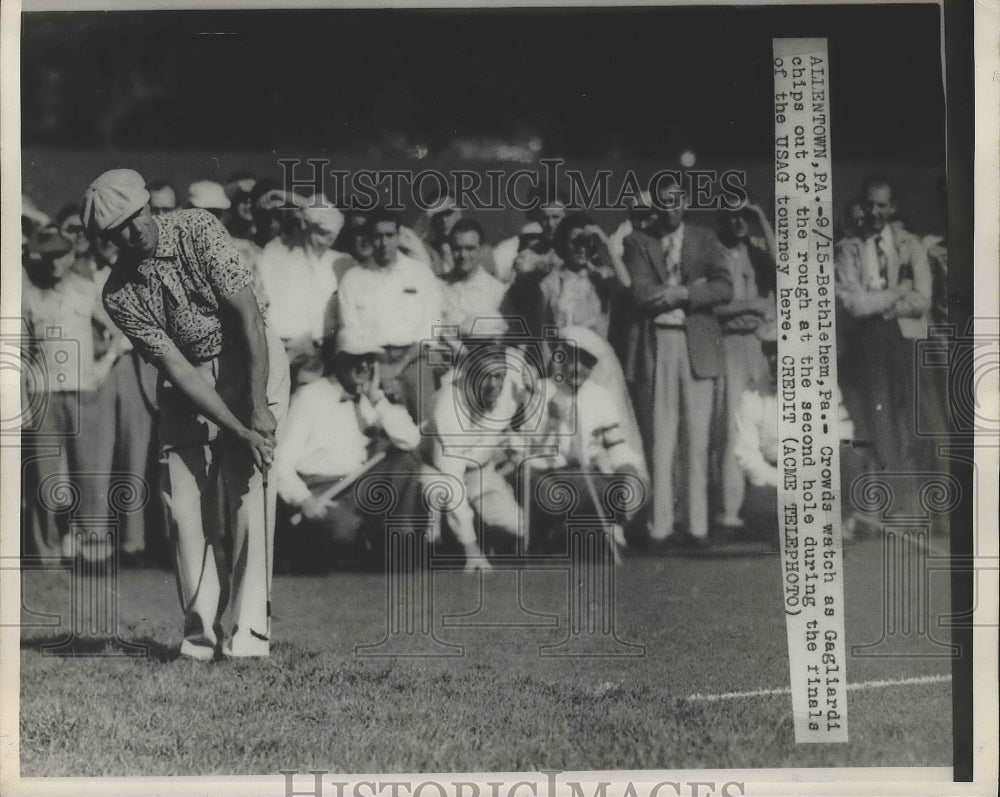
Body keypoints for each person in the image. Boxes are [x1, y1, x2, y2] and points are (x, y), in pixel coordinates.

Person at [85, 168, 290, 661]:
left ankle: (250, 636)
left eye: (134, 220)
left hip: (252, 357)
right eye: (115, 233)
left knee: (249, 489)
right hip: (187, 383)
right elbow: (178, 368)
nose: (130, 235)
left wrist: (256, 407)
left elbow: (248, 319)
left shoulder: (198, 228)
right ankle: (199, 637)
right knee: (182, 503)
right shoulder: (118, 293)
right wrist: (235, 426)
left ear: (148, 206)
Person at [623, 174, 733, 551]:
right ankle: (660, 527)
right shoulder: (637, 241)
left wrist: (682, 292)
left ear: (686, 202)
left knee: (697, 440)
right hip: (658, 346)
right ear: (655, 205)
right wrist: (683, 293)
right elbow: (640, 294)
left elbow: (724, 288)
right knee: (661, 437)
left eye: (677, 200)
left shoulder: (705, 238)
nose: (671, 208)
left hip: (698, 345)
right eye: (664, 202)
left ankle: (697, 526)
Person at [273, 328, 429, 571]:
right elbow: (280, 462)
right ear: (338, 360)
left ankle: (397, 543)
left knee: (406, 460)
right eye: (356, 359)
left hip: (360, 487)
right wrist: (304, 500)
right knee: (344, 534)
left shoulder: (370, 396)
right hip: (321, 490)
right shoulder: (309, 397)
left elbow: (410, 441)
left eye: (369, 359)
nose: (364, 366)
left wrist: (377, 398)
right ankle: (359, 543)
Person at [21, 225, 122, 563]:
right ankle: (47, 555)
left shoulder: (87, 290)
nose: (53, 263)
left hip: (84, 392)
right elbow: (20, 350)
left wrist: (105, 362)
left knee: (89, 474)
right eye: (46, 256)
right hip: (44, 393)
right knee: (45, 478)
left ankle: (93, 553)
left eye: (59, 255)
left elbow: (121, 332)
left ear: (71, 254)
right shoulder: (30, 295)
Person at [834, 175, 931, 479]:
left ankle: (923, 497)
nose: (875, 212)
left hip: (906, 341)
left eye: (882, 206)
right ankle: (893, 499)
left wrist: (885, 308)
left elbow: (923, 299)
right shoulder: (848, 248)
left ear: (892, 207)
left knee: (916, 422)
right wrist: (897, 293)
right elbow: (855, 305)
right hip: (869, 346)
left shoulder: (909, 245)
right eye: (869, 205)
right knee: (881, 423)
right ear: (862, 205)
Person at [531, 329, 649, 553]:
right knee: (562, 497)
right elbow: (533, 450)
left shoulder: (599, 395)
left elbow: (617, 446)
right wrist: (553, 422)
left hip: (584, 474)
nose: (579, 370)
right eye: (573, 361)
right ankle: (553, 534)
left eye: (586, 364)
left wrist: (628, 471)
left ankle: (592, 534)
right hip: (545, 474)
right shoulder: (542, 391)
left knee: (634, 487)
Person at [432, 330, 537, 569]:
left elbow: (506, 428)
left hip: (481, 473)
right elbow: (451, 478)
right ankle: (451, 539)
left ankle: (482, 533)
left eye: (499, 376)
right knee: (434, 539)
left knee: (518, 525)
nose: (493, 385)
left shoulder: (508, 392)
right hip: (437, 475)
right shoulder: (449, 405)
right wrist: (471, 548)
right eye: (486, 377)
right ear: (470, 375)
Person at [713, 203, 776, 531]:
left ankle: (769, 507)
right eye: (732, 214)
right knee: (734, 426)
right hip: (731, 344)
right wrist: (750, 304)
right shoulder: (715, 252)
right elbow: (713, 306)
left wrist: (760, 217)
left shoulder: (760, 250)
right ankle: (730, 510)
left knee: (770, 422)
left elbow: (786, 268)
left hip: (762, 344)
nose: (739, 222)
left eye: (744, 215)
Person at [256, 198, 345, 388]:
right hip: (277, 349)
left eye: (328, 234)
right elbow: (262, 300)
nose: (321, 240)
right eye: (317, 232)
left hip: (319, 353)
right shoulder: (276, 251)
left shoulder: (341, 263)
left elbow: (332, 220)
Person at [543, 212, 620, 337]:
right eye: (576, 242)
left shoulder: (600, 277)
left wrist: (606, 242)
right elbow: (544, 332)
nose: (582, 249)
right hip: (563, 353)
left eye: (586, 242)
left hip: (598, 353)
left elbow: (627, 284)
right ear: (563, 242)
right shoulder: (551, 282)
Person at [440, 218, 507, 337]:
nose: (463, 255)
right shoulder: (437, 285)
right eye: (457, 249)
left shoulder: (498, 292)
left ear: (481, 250)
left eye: (470, 248)